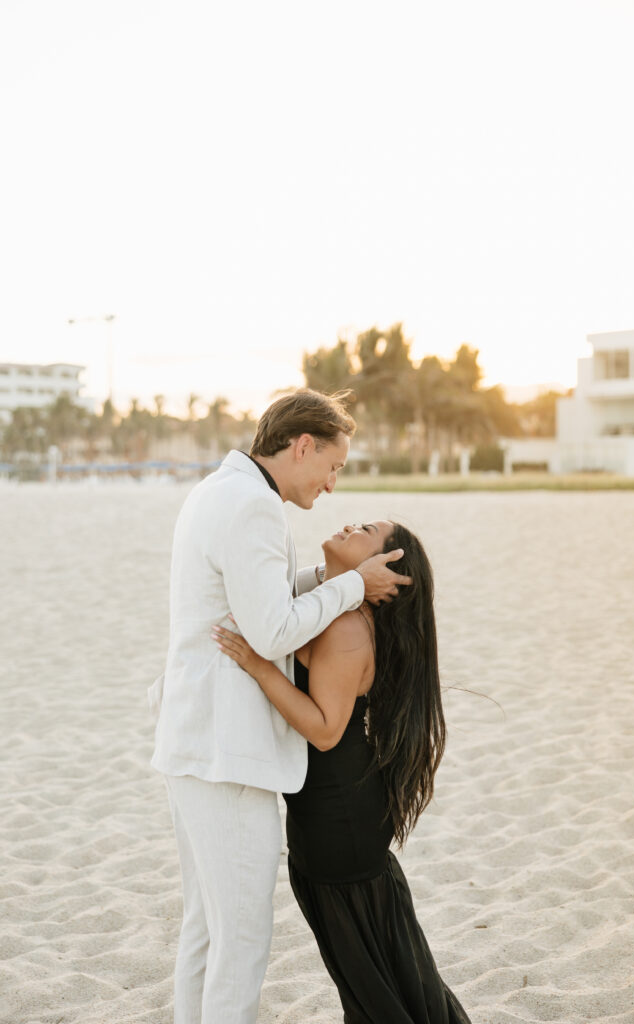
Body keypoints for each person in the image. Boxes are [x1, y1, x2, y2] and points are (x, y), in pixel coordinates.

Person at [150, 389, 410, 1024]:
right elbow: (270, 632)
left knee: (206, 933)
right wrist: (355, 585)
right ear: (302, 447)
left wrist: (326, 582)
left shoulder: (219, 490)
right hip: (228, 758)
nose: (331, 484)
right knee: (239, 943)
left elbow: (253, 594)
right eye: (334, 465)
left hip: (193, 745)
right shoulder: (254, 509)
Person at [213, 519, 472, 1024]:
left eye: (367, 530)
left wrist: (258, 666)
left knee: (373, 985)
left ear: (383, 568)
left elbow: (327, 729)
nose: (350, 524)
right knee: (376, 974)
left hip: (340, 825)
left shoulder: (348, 627)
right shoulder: (335, 609)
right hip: (331, 817)